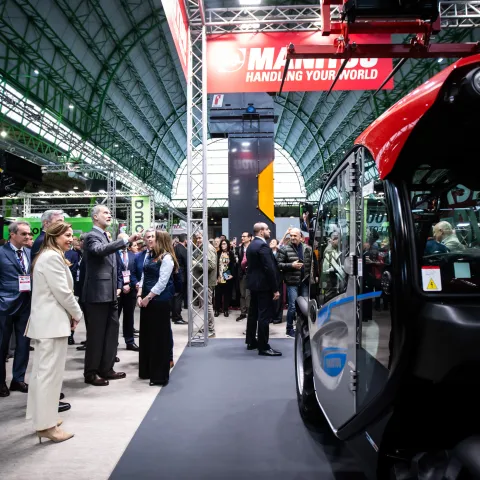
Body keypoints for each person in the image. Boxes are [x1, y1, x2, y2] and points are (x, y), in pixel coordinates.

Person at [25, 222, 83, 443]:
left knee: (43, 375)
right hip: (51, 325)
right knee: (48, 376)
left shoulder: (49, 255)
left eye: (71, 235)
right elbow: (63, 293)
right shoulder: (51, 257)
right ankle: (46, 426)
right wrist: (77, 313)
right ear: (54, 236)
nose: (70, 239)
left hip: (49, 324)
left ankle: (43, 418)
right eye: (66, 235)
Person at [82, 205, 141, 387]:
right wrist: (124, 241)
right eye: (105, 213)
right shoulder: (91, 236)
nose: (109, 215)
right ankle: (91, 373)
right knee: (96, 335)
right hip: (97, 294)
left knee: (111, 334)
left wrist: (118, 286)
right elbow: (99, 250)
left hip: (111, 294)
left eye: (109, 212)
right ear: (95, 217)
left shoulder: (106, 236)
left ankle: (106, 368)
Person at [137, 231, 177, 386]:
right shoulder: (149, 255)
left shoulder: (167, 258)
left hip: (159, 301)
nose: (149, 240)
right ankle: (146, 370)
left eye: (153, 237)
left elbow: (162, 282)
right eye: (148, 237)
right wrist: (139, 294)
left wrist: (148, 297)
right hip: (146, 300)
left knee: (159, 338)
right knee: (147, 337)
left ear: (160, 240)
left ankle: (159, 376)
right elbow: (143, 276)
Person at [0, 221, 33, 398]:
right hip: (4, 306)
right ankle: (0, 382)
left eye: (29, 234)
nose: (28, 237)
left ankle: (18, 380)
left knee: (23, 344)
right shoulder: (1, 252)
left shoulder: (29, 252)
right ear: (12, 234)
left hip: (26, 305)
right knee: (2, 346)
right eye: (24, 234)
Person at [245, 223, 281, 357]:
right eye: (267, 229)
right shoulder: (263, 246)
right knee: (264, 316)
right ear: (261, 231)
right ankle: (263, 347)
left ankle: (251, 341)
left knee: (253, 313)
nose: (269, 231)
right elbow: (269, 269)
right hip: (264, 286)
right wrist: (275, 289)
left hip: (253, 285)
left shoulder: (251, 245)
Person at [276, 227, 313, 338]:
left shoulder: (307, 248)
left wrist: (313, 276)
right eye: (291, 235)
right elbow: (278, 264)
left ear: (300, 237)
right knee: (292, 306)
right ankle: (289, 329)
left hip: (305, 281)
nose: (292, 237)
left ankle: (304, 327)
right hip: (292, 282)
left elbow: (311, 264)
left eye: (294, 235)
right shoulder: (284, 249)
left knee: (305, 306)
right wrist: (291, 265)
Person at [117, 234, 139, 352]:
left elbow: (135, 273)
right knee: (114, 318)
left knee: (129, 317)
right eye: (122, 240)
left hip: (130, 291)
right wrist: (120, 286)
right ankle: (113, 343)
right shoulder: (113, 255)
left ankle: (129, 341)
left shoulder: (133, 255)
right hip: (117, 291)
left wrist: (130, 285)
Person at [215, 239, 236, 318]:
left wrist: (232, 275)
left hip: (227, 274)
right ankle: (217, 309)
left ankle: (226, 309)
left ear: (227, 245)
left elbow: (233, 265)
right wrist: (216, 276)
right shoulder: (218, 253)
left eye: (224, 244)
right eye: (222, 244)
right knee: (218, 294)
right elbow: (215, 265)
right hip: (219, 275)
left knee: (227, 294)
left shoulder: (231, 253)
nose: (223, 245)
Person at [172, 234, 187, 324]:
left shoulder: (174, 248)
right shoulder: (183, 249)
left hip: (175, 275)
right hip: (181, 276)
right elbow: (187, 263)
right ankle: (177, 317)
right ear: (185, 240)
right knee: (179, 297)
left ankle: (174, 315)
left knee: (175, 296)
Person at [237, 232, 252, 321]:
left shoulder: (253, 247)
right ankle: (243, 313)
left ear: (249, 238)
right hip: (242, 274)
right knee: (242, 294)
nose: (242, 238)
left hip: (251, 274)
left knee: (249, 294)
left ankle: (250, 313)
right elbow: (239, 261)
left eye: (244, 236)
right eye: (241, 236)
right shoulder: (240, 248)